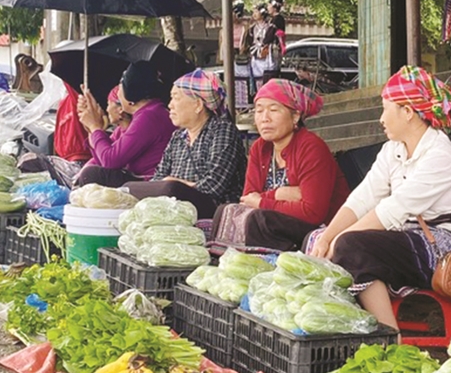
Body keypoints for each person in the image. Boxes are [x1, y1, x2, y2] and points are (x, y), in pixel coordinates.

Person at [310, 67, 451, 329]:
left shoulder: (441, 154)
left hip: (446, 246)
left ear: (408, 112)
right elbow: (364, 196)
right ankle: (361, 325)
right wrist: (326, 237)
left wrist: (339, 241)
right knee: (316, 240)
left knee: (351, 246)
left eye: (386, 109)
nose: (381, 118)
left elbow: (392, 210)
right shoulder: (393, 150)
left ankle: (387, 334)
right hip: (407, 235)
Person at [222, 79, 350, 251]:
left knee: (259, 219)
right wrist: (281, 194)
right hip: (278, 225)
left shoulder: (311, 147)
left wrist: (265, 200)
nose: (264, 118)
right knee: (225, 211)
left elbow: (312, 212)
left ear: (295, 116)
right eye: (259, 111)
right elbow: (248, 198)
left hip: (320, 229)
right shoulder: (260, 148)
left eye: (273, 110)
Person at [126, 69, 245, 218]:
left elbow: (214, 186)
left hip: (213, 211)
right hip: (176, 208)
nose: (170, 105)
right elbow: (158, 178)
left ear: (198, 105)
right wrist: (168, 185)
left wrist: (176, 184)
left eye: (176, 98)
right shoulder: (178, 137)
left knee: (171, 189)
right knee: (128, 189)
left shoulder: (222, 130)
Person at [70, 61, 175, 188]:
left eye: (120, 87)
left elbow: (110, 161)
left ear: (130, 97)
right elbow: (102, 158)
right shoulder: (148, 113)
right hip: (138, 179)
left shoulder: (149, 116)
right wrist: (92, 126)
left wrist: (95, 127)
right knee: (90, 171)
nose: (118, 92)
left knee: (92, 174)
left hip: (148, 183)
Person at [247, 4, 281, 97]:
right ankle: (259, 96)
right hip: (256, 54)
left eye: (256, 11)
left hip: (267, 54)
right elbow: (250, 41)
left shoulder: (270, 27)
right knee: (257, 78)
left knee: (267, 78)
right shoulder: (252, 28)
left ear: (262, 13)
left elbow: (269, 39)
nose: (254, 14)